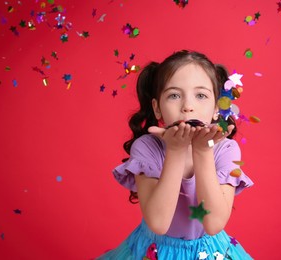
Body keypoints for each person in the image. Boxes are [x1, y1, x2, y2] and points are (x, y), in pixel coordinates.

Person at [98, 50, 254, 259]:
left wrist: (202, 149)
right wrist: (175, 150)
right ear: (157, 109)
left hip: (210, 252)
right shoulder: (146, 148)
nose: (188, 106)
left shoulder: (226, 149)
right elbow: (159, 223)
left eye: (201, 95)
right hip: (154, 251)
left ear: (217, 107)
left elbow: (214, 223)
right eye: (174, 95)